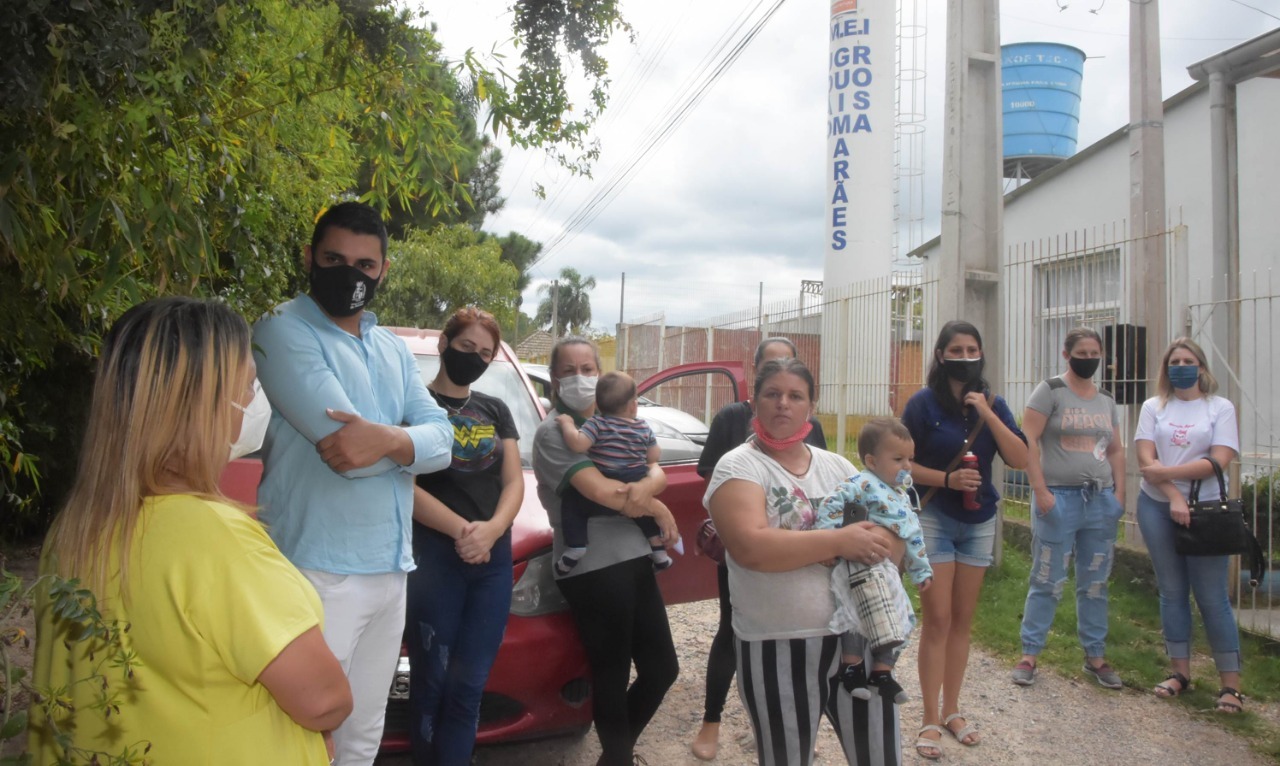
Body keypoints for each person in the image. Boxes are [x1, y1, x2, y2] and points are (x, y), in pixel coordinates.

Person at [28, 297, 351, 765]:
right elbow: (325, 699)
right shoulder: (217, 541)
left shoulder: (71, 530)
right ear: (200, 405)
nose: (256, 404)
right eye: (248, 387)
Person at [252, 202, 453, 766]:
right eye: (335, 258)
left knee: (365, 733)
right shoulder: (280, 329)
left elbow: (444, 442)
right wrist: (409, 444)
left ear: (383, 269)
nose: (351, 274)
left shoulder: (389, 347)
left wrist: (389, 441)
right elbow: (345, 450)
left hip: (390, 568)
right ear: (310, 258)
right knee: (303, 736)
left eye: (365, 264)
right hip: (317, 568)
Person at [706, 357, 906, 766]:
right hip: (777, 644)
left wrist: (876, 542)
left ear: (810, 406)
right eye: (772, 394)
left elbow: (891, 538)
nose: (783, 403)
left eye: (795, 395)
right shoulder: (739, 466)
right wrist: (841, 541)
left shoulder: (837, 467)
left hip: (858, 635)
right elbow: (752, 548)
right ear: (753, 401)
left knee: (881, 755)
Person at [531, 336, 681, 766]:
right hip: (592, 563)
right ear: (554, 382)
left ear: (601, 376)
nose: (580, 378)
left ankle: (614, 758)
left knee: (662, 669)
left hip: (632, 554)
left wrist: (653, 490)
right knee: (612, 674)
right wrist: (655, 502)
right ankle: (618, 758)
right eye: (568, 371)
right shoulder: (556, 433)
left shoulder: (619, 423)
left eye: (588, 369)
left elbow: (656, 468)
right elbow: (600, 491)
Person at [690, 337, 827, 762]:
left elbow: (814, 477)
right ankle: (711, 720)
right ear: (755, 381)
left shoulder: (813, 433)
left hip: (801, 549)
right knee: (731, 627)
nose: (782, 399)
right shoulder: (731, 418)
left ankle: (786, 724)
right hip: (741, 540)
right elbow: (712, 472)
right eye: (771, 377)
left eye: (793, 385)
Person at [901, 320, 1027, 760]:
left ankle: (953, 710)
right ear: (940, 355)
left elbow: (1020, 458)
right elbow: (901, 466)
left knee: (962, 619)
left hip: (979, 521)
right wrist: (948, 479)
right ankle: (929, 718)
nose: (965, 356)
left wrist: (988, 412)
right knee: (937, 619)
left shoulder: (994, 404)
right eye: (956, 349)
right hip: (935, 516)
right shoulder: (921, 404)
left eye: (972, 348)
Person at [405, 307, 523, 765]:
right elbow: (403, 486)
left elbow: (514, 483)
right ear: (443, 343)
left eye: (484, 353)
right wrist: (462, 532)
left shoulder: (496, 409)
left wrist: (491, 531)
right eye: (466, 346)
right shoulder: (415, 406)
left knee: (469, 688)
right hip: (434, 559)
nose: (474, 357)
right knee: (431, 682)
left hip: (492, 562)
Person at [1013, 327, 1127, 690]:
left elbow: (1115, 449)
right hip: (1058, 498)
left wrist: (1119, 495)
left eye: (1095, 352)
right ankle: (1029, 654)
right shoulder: (1051, 391)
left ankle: (1095, 655)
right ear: (1067, 355)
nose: (1089, 357)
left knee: (1095, 582)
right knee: (1047, 578)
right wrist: (1040, 489)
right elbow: (1027, 437)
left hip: (1099, 499)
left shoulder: (1106, 399)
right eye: (1083, 351)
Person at [1134, 337, 1244, 713]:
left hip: (1208, 511)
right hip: (1157, 506)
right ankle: (1180, 672)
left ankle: (1230, 684)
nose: (1181, 365)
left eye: (1188, 360)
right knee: (1171, 591)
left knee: (1212, 597)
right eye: (1174, 360)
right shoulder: (1153, 407)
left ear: (1201, 366)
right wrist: (1174, 493)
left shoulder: (1220, 408)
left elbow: (1219, 460)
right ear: (1167, 368)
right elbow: (1145, 461)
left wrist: (1168, 472)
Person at [815, 417, 933, 705]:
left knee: (900, 617)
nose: (906, 466)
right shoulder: (862, 483)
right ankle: (851, 667)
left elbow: (913, 535)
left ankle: (883, 671)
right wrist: (828, 542)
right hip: (860, 567)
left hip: (890, 570)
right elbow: (831, 506)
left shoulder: (904, 497)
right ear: (871, 460)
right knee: (857, 616)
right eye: (898, 459)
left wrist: (921, 571)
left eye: (910, 459)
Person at [556, 370, 673, 573]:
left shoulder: (597, 423)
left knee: (571, 501)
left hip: (606, 480)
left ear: (598, 406)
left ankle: (576, 546)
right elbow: (653, 457)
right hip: (634, 479)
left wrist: (567, 424)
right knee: (644, 511)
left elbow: (578, 444)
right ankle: (658, 550)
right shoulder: (643, 426)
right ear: (633, 405)